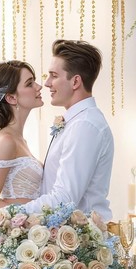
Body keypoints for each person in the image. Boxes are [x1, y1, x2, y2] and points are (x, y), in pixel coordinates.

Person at [24, 39, 114, 223]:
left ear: (75, 81)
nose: (47, 83)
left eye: (53, 75)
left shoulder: (85, 125)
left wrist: (7, 212)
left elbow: (64, 199)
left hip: (83, 241)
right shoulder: (77, 121)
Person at [0, 60, 44, 214]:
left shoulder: (20, 140)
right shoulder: (6, 141)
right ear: (11, 98)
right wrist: (38, 213)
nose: (39, 87)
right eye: (29, 83)